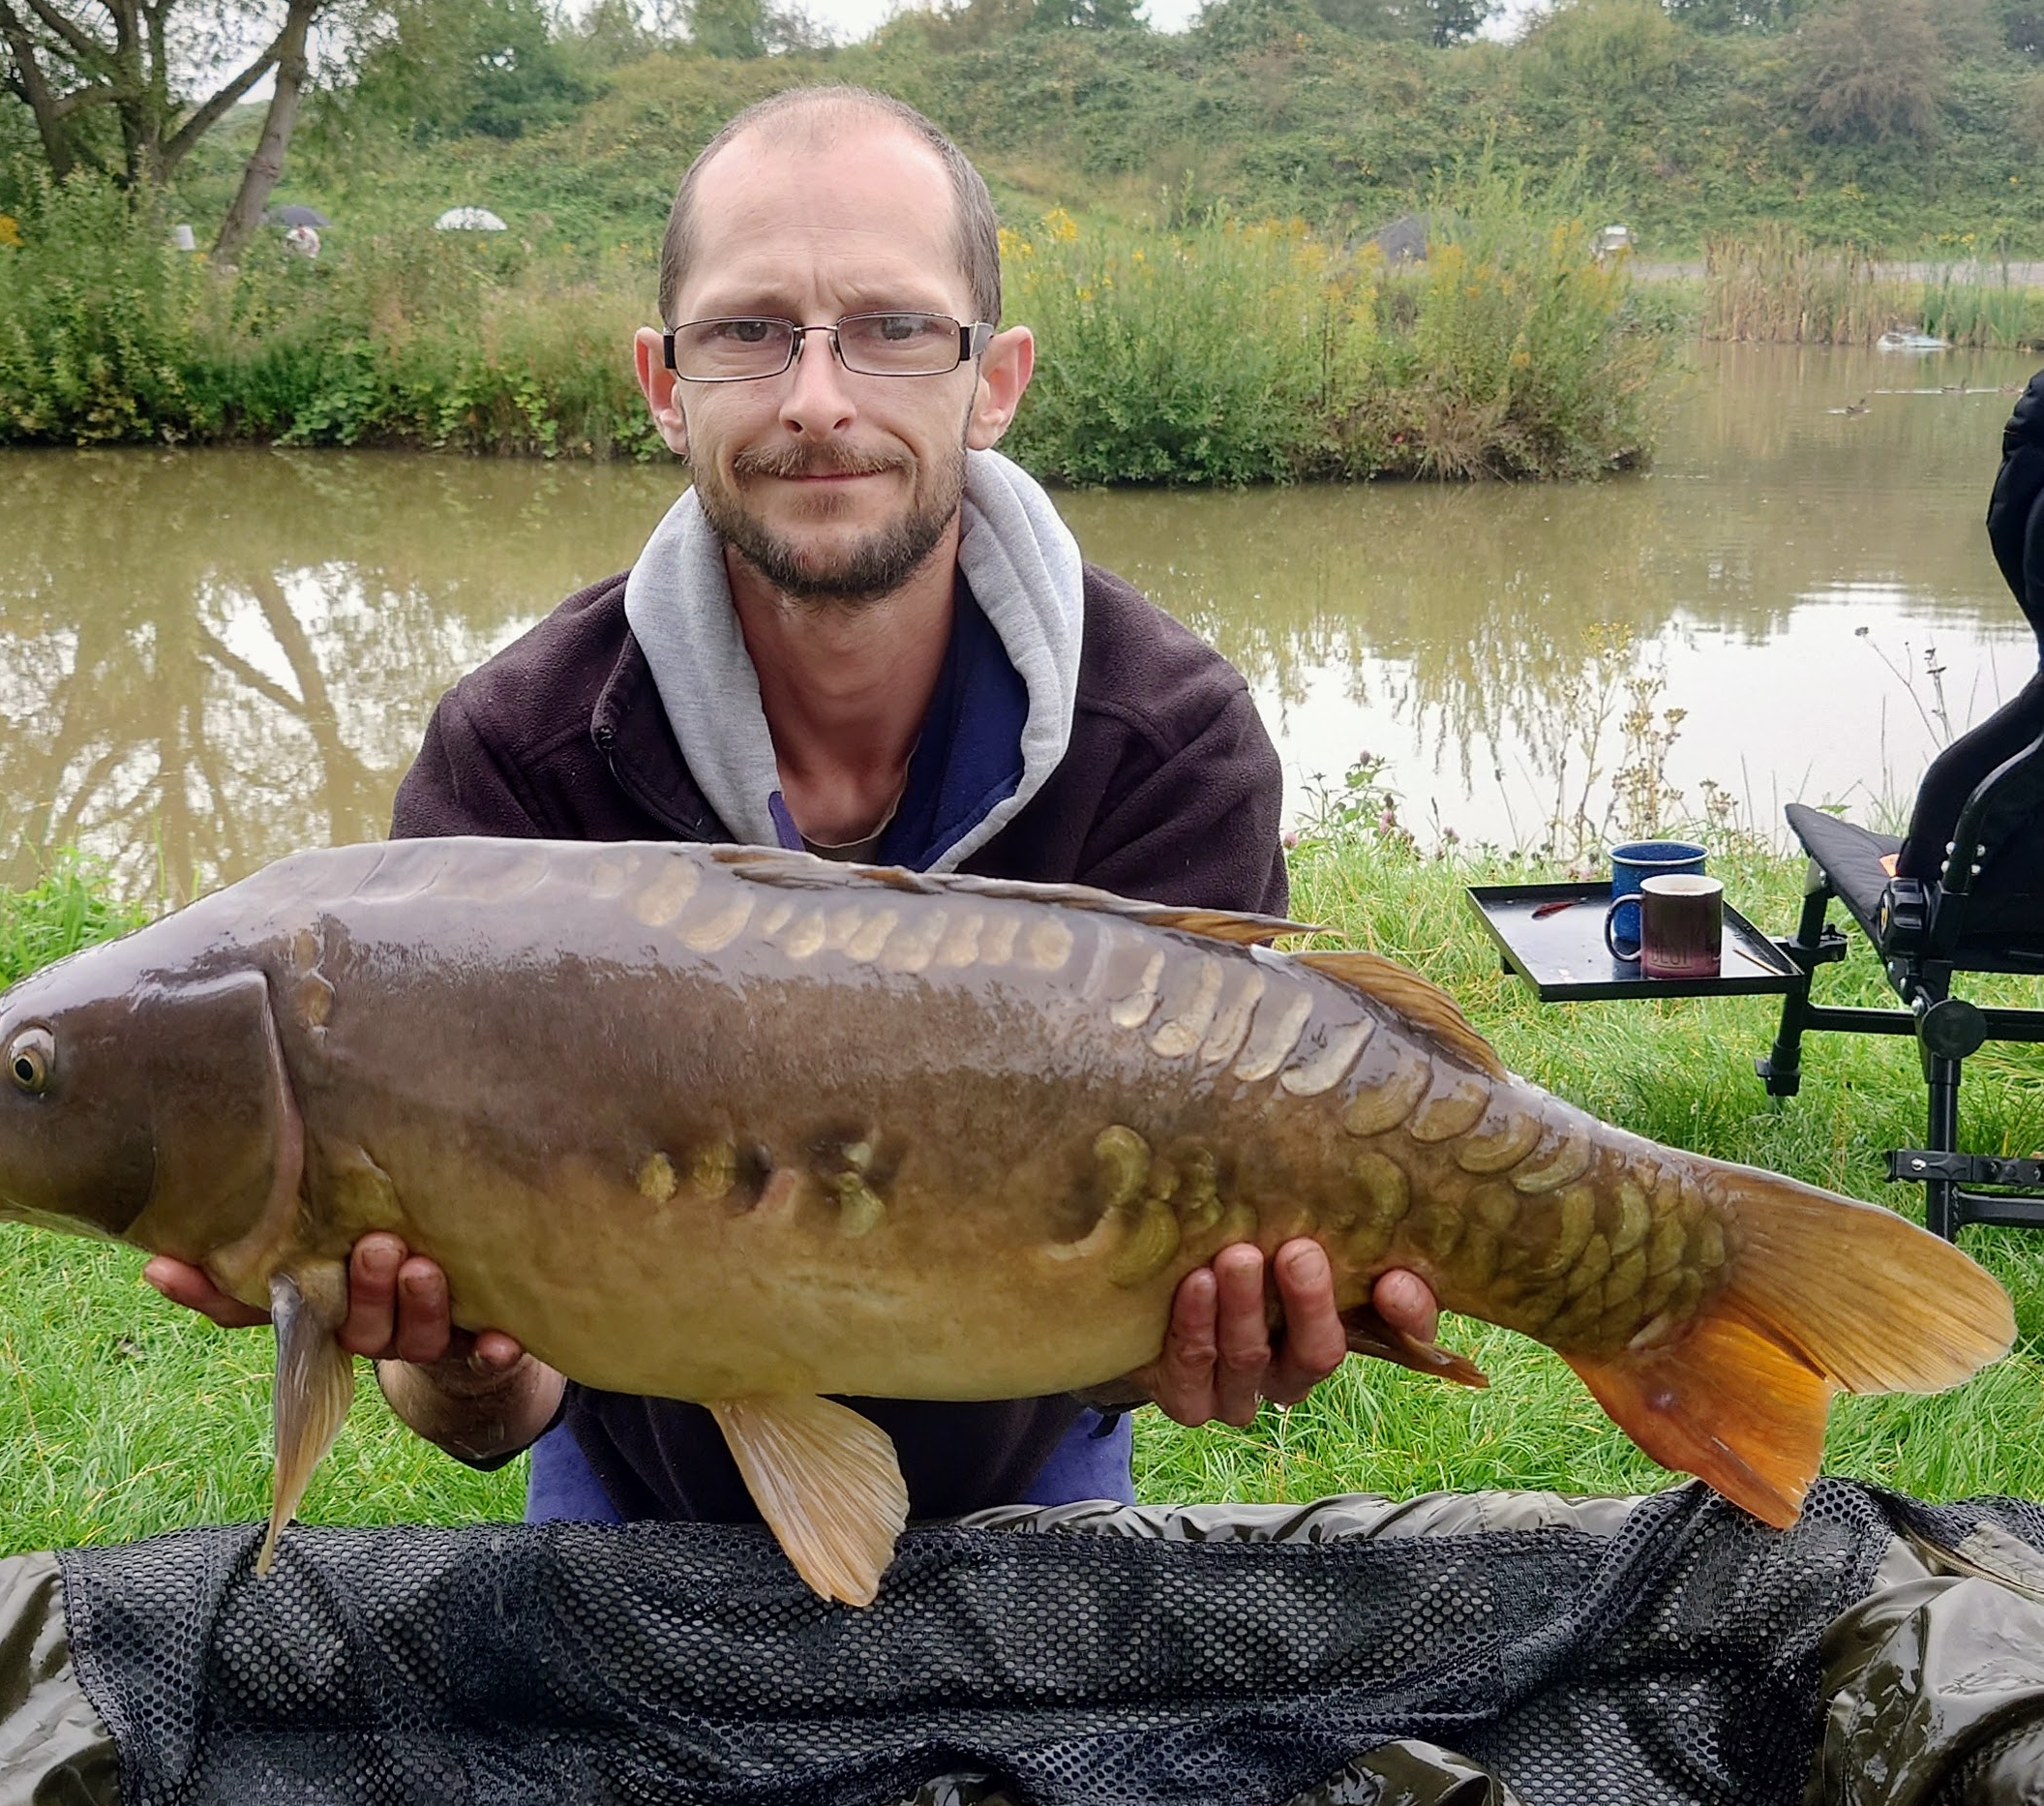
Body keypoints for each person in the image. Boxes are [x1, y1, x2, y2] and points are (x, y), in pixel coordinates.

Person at [147, 86, 1440, 1525]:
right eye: (748, 331)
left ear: (991, 377)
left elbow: (1149, 1345)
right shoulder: (513, 764)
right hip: (637, 1483)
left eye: (890, 329)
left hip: (1028, 1470)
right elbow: (486, 1413)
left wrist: (1214, 1336)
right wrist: (454, 1363)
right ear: (661, 378)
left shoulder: (1168, 740)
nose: (817, 399)